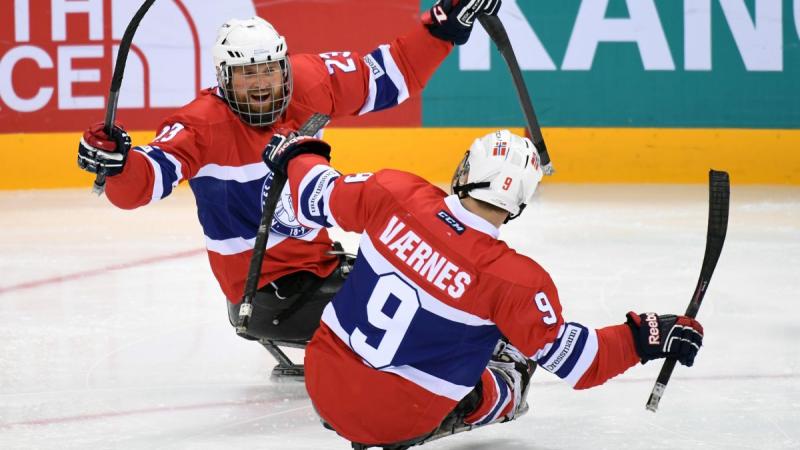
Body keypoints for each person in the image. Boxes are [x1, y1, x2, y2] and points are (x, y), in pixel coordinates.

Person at [75, 0, 503, 358]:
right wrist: (117, 163)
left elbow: (391, 73)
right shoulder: (201, 125)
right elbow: (144, 181)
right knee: (427, 313)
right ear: (223, 80)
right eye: (247, 74)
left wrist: (445, 25)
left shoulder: (310, 82)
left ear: (284, 66)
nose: (262, 84)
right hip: (265, 296)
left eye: (269, 70)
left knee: (427, 276)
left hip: (319, 267)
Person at [262, 128, 706, 448]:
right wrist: (647, 335)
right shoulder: (516, 280)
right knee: (514, 369)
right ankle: (473, 403)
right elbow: (580, 364)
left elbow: (314, 193)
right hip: (401, 419)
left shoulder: (394, 192)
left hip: (322, 383)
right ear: (520, 203)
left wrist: (298, 152)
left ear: (465, 169)